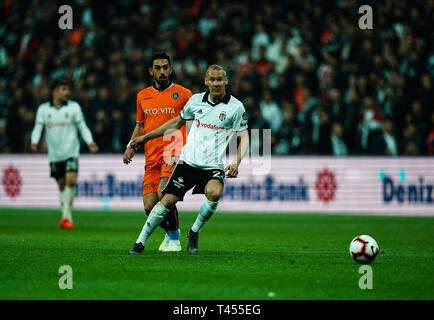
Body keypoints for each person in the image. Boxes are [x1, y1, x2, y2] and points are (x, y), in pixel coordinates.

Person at [128, 64, 250, 255]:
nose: (216, 83)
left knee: (215, 192)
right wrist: (145, 137)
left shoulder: (236, 107)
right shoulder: (195, 101)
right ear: (206, 81)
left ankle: (194, 232)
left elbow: (244, 137)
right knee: (166, 200)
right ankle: (140, 241)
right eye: (212, 79)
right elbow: (176, 123)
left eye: (220, 79)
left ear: (226, 81)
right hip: (188, 163)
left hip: (212, 165)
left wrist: (236, 162)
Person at [123, 52, 192, 252]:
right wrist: (130, 146)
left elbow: (198, 115)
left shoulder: (184, 94)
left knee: (164, 193)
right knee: (149, 205)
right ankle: (172, 235)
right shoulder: (142, 96)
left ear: (171, 69)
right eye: (158, 68)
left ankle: (175, 241)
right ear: (150, 71)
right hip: (151, 155)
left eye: (165, 67)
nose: (162, 72)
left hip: (174, 151)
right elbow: (140, 126)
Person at [30, 79, 99, 229]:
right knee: (61, 184)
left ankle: (67, 217)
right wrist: (34, 141)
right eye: (63, 89)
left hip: (71, 151)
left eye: (68, 89)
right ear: (54, 91)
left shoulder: (74, 107)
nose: (67, 92)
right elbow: (37, 127)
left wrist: (90, 141)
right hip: (54, 154)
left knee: (71, 180)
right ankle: (65, 215)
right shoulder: (43, 109)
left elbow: (82, 126)